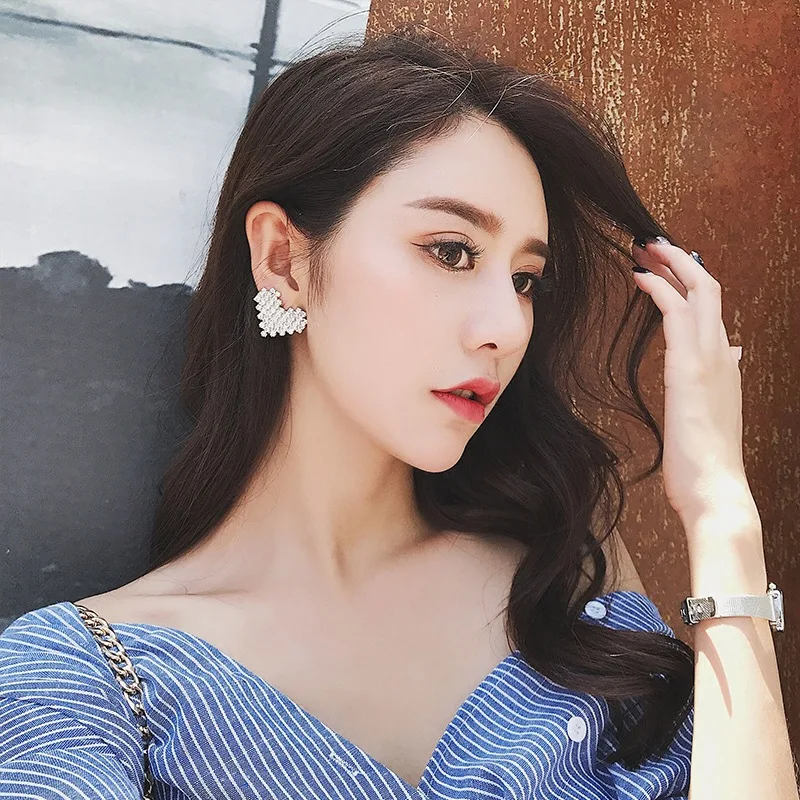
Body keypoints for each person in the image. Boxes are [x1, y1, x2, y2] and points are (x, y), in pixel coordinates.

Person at [1, 27, 796, 800]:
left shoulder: (563, 580)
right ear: (283, 258)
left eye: (525, 279)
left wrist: (721, 513)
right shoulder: (86, 682)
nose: (506, 326)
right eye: (451, 251)